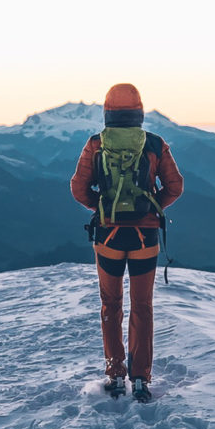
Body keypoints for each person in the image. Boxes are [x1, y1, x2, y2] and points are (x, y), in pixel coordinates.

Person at [70, 83, 183, 401]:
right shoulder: (156, 144)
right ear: (139, 112)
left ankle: (115, 375)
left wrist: (102, 208)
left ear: (107, 112)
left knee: (111, 305)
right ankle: (141, 379)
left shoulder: (96, 144)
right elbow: (176, 185)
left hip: (107, 236)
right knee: (143, 307)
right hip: (145, 237)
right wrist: (152, 206)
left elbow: (79, 189)